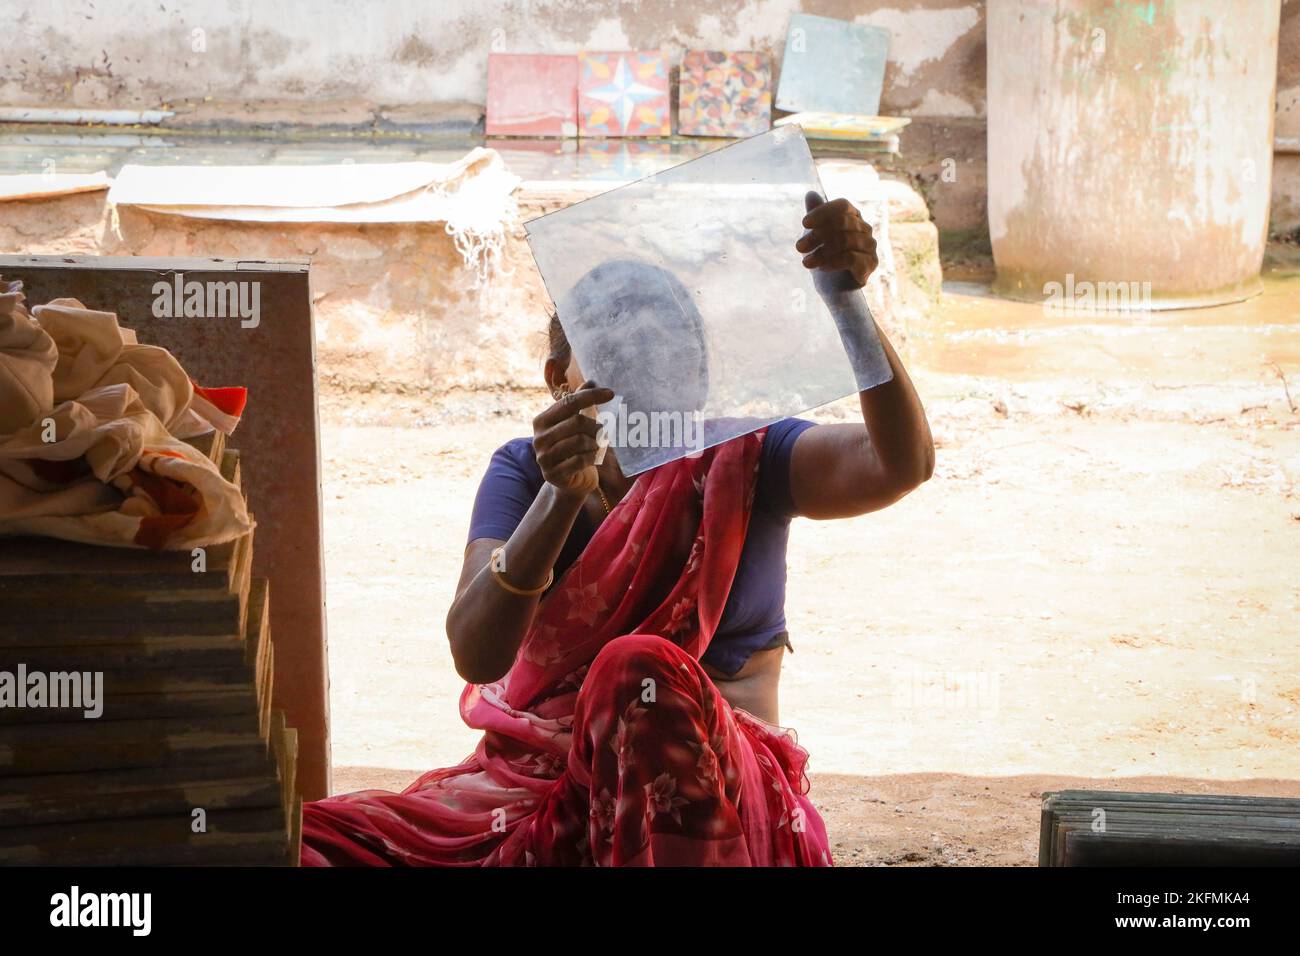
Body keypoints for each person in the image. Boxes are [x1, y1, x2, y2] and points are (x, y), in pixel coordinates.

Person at [301, 193, 935, 866]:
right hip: (543, 798)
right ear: (559, 377)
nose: (646, 351)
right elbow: (476, 654)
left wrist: (845, 300)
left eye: (672, 338)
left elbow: (900, 463)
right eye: (613, 334)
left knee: (638, 670)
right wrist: (559, 498)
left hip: (716, 806)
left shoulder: (745, 458)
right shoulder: (525, 470)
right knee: (304, 841)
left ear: (702, 374)